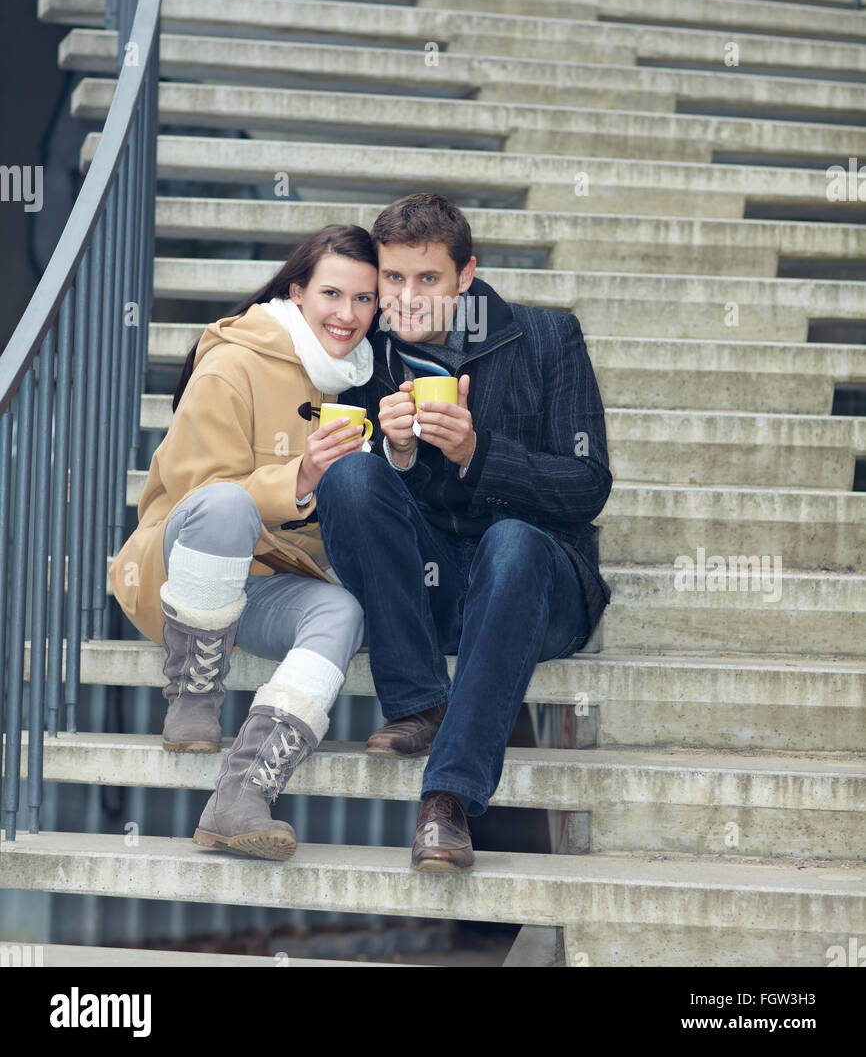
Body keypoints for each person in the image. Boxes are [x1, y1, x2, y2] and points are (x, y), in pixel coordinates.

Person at [317, 193, 613, 873]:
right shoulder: (365, 356)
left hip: (539, 588)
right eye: (392, 280)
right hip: (437, 597)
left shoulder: (547, 338)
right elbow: (353, 510)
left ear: (466, 276)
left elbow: (588, 483)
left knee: (512, 541)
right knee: (350, 479)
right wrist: (390, 456)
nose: (408, 299)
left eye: (428, 280)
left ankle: (447, 797)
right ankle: (419, 698)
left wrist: (477, 453)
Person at [108, 225, 378, 860]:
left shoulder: (359, 377)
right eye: (332, 294)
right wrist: (302, 476)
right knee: (228, 503)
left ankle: (245, 790)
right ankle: (194, 692)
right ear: (296, 291)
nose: (348, 314)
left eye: (364, 299)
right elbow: (203, 497)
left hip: (264, 582)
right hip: (184, 568)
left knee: (342, 612)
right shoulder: (234, 362)